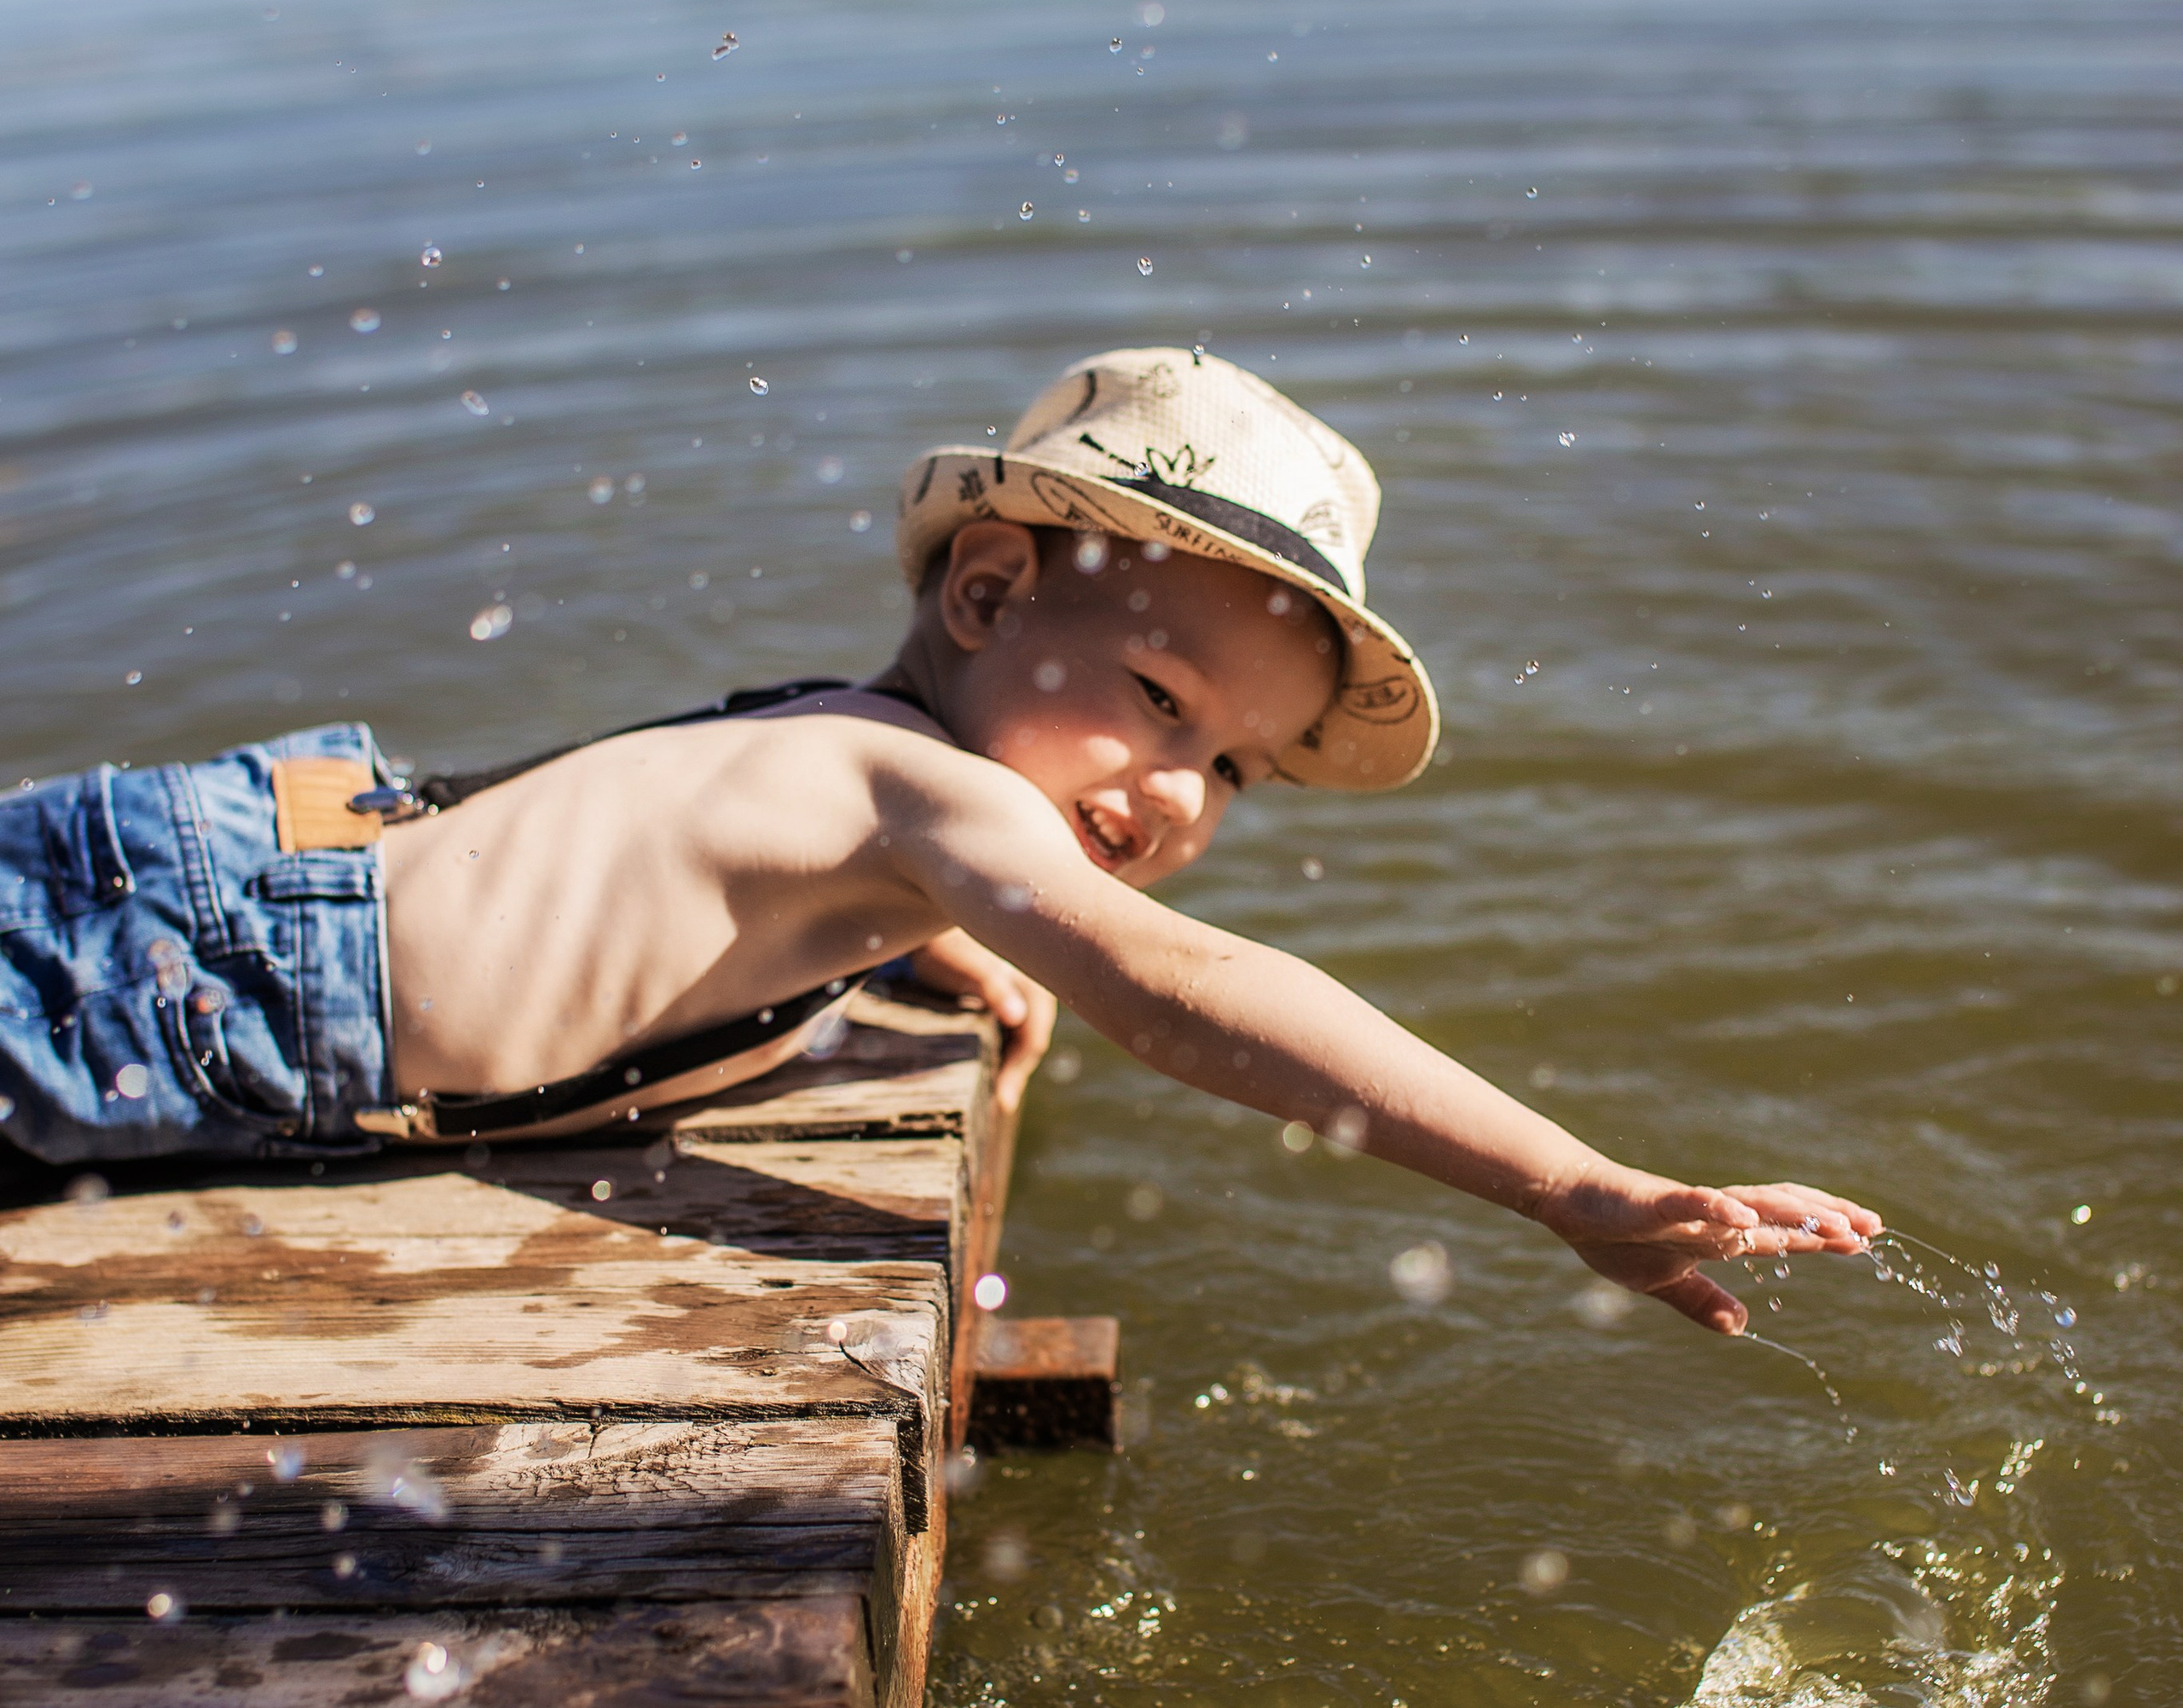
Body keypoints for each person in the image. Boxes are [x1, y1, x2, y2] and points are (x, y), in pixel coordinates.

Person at [0, 346, 1874, 1331]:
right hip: (188, 979)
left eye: (1228, 773)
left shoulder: (877, 775)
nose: (1166, 796)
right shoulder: (940, 793)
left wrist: (938, 934)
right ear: (984, 594)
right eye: (1155, 703)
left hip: (241, 875)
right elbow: (1181, 990)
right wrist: (1567, 1184)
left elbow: (724, 879)